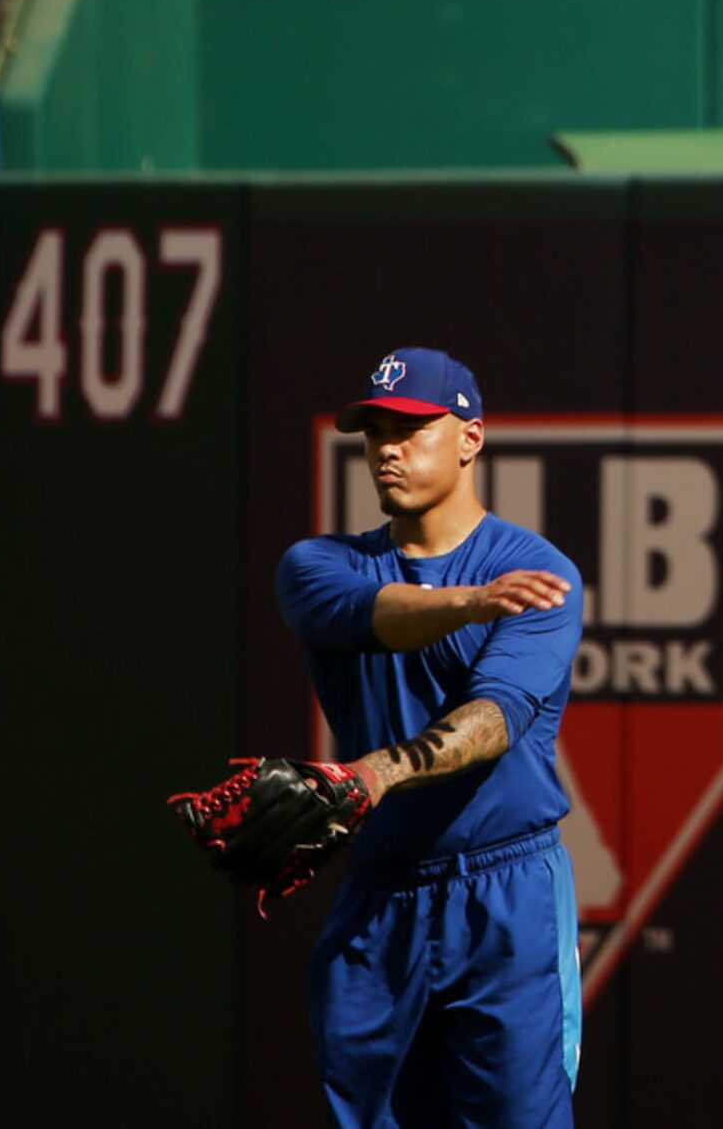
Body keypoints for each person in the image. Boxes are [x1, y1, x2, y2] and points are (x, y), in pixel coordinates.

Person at [277, 347, 585, 1129]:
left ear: (469, 439)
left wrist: (377, 773)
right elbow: (374, 615)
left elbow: (491, 723)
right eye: (375, 430)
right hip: (380, 893)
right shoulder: (319, 564)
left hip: (504, 890)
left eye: (412, 427)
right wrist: (467, 604)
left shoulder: (537, 572)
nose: (388, 447)